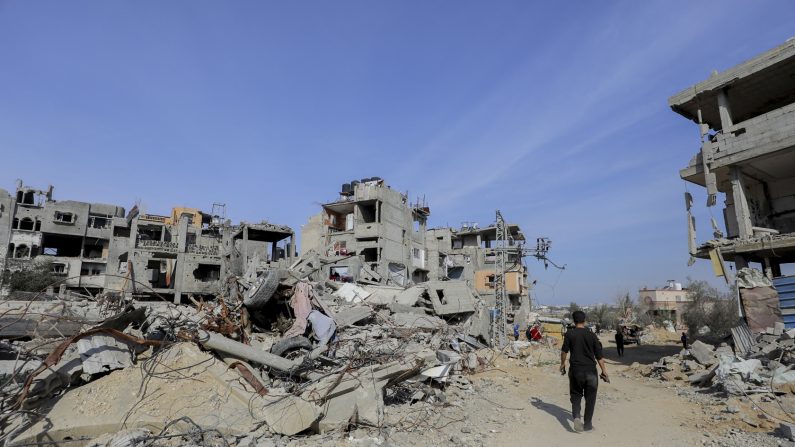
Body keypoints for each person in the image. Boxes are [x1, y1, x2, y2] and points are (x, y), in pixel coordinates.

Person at [560, 311, 608, 432]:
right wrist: (604, 371)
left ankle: (576, 417)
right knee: (590, 398)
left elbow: (564, 351)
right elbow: (599, 356)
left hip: (576, 370)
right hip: (591, 371)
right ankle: (587, 425)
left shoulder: (569, 334)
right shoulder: (592, 335)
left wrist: (562, 364)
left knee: (576, 395)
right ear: (584, 320)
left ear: (574, 321)